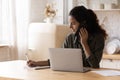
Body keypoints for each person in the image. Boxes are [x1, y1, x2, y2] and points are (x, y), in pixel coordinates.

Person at [27, 6, 107, 68]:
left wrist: (84, 44)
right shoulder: (70, 38)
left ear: (83, 24)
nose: (70, 27)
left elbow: (95, 65)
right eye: (70, 23)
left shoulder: (98, 38)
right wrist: (37, 63)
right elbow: (58, 60)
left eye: (73, 23)